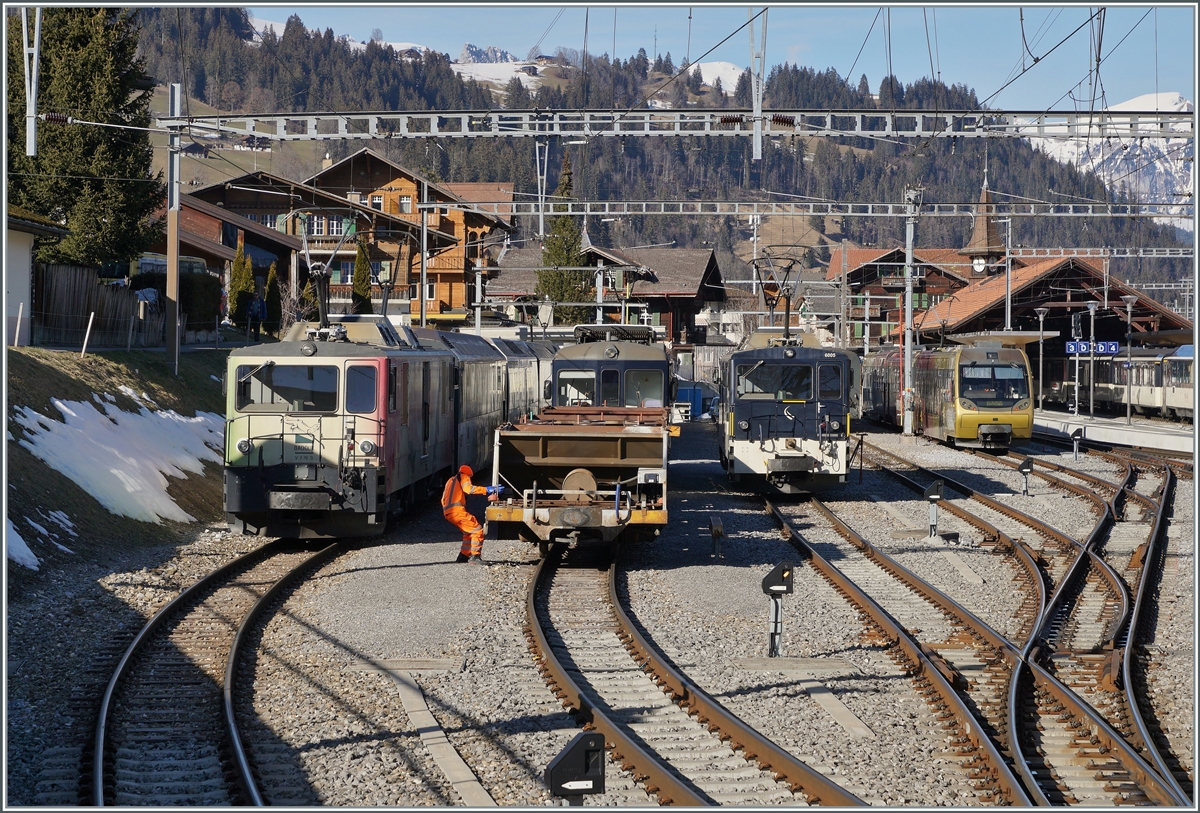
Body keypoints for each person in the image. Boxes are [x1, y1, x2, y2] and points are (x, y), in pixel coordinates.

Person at [441, 464, 503, 563]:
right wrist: (487, 489)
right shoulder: (464, 476)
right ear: (469, 474)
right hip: (457, 511)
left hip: (448, 512)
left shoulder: (450, 480)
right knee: (477, 530)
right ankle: (475, 556)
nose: (469, 479)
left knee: (468, 532)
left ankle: (463, 556)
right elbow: (469, 489)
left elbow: (443, 498)